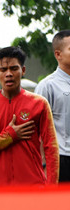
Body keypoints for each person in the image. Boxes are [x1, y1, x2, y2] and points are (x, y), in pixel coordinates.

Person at [0, 46, 58, 186]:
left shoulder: (39, 104)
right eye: (3, 70)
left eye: (14, 68)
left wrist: (52, 188)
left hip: (34, 187)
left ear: (23, 71)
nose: (8, 74)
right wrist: (9, 136)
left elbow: (51, 148)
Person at [33, 30, 70, 183]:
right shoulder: (47, 86)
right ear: (58, 54)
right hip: (60, 159)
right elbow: (37, 129)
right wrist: (43, 164)